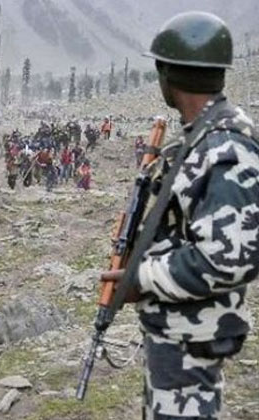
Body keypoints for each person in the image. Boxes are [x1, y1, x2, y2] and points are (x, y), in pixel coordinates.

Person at [102, 12, 259, 420]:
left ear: (167, 74)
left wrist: (141, 277)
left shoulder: (226, 148)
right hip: (179, 330)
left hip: (194, 334)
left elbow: (229, 259)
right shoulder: (201, 137)